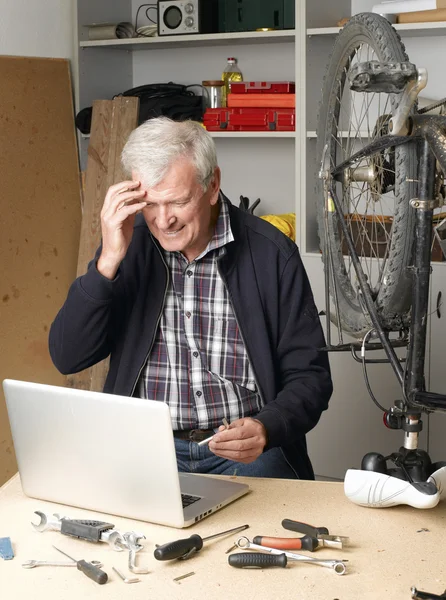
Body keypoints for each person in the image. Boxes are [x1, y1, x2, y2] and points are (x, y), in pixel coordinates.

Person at [49, 117, 332, 479]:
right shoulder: (128, 247)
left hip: (247, 456)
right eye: (150, 204)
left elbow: (311, 376)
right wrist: (106, 263)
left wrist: (266, 427)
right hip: (144, 450)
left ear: (212, 184)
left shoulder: (272, 254)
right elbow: (68, 356)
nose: (164, 220)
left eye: (178, 202)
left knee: (262, 531)